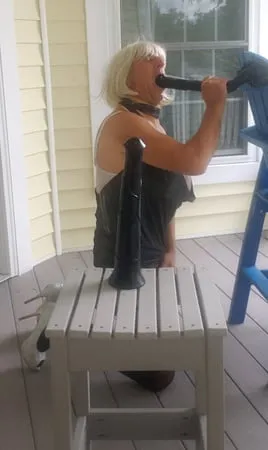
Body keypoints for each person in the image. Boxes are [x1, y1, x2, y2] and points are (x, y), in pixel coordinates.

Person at [21, 40, 227, 392]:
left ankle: (67, 301)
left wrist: (170, 249)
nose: (160, 63)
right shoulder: (124, 124)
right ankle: (53, 327)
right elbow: (195, 161)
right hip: (119, 260)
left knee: (168, 344)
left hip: (150, 254)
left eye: (163, 59)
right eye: (149, 59)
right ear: (125, 74)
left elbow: (165, 201)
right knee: (160, 377)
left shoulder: (150, 123)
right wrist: (215, 107)